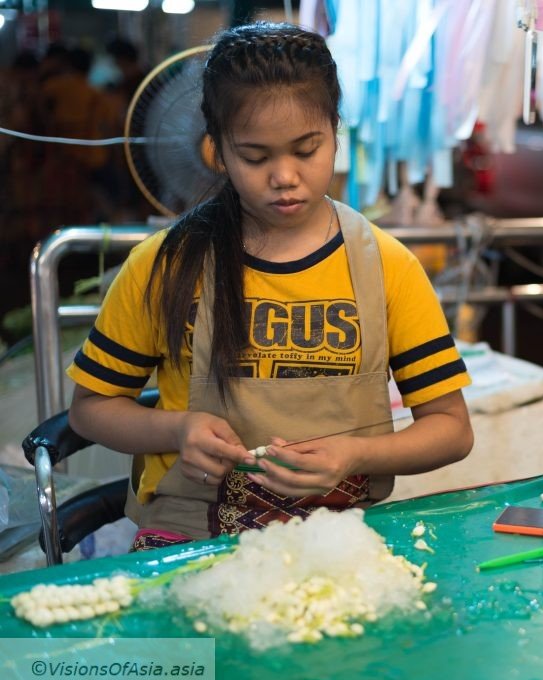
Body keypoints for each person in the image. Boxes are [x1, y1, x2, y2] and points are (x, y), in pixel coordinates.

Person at [67, 23, 474, 551]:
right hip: (192, 538)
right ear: (217, 150)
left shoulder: (386, 266)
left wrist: (355, 455)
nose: (284, 176)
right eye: (256, 157)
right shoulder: (166, 264)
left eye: (307, 149)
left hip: (341, 538)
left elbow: (451, 428)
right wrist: (177, 430)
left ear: (336, 130)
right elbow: (91, 407)